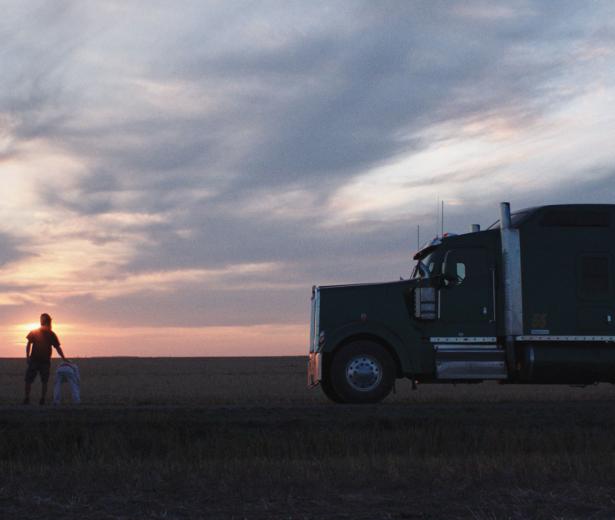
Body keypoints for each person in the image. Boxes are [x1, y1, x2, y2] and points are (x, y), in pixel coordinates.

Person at [24, 313, 69, 405]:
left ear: (47, 321)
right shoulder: (35, 332)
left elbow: (57, 347)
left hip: (45, 362)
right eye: (41, 319)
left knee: (44, 381)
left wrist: (64, 358)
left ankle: (42, 399)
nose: (41, 321)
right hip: (34, 360)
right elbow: (29, 344)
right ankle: (26, 398)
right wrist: (27, 356)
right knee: (28, 380)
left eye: (43, 319)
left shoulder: (51, 334)